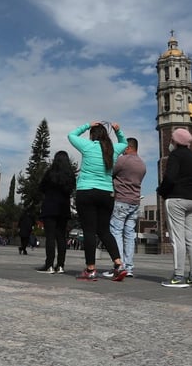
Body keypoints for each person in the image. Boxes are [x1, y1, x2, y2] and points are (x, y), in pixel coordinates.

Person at [68, 121, 129, 282]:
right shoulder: (113, 150)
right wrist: (118, 131)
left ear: (92, 135)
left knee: (89, 231)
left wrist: (87, 125)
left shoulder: (88, 146)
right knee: (104, 231)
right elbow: (124, 143)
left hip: (86, 192)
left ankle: (90, 269)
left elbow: (71, 135)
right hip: (106, 193)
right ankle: (118, 264)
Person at [157, 128, 192, 288]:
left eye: (171, 139)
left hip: (177, 198)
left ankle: (178, 276)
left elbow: (170, 177)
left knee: (177, 238)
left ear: (176, 141)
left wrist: (161, 191)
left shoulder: (175, 155)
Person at [106, 138, 146, 278]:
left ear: (128, 147)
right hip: (135, 202)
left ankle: (119, 265)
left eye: (124, 147)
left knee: (116, 231)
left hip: (122, 200)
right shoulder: (142, 164)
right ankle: (129, 268)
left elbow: (110, 172)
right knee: (129, 234)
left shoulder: (123, 160)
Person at [37, 151, 76, 274]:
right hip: (63, 208)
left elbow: (41, 187)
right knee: (61, 237)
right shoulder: (70, 175)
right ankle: (60, 265)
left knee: (50, 237)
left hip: (50, 206)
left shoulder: (50, 173)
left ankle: (49, 265)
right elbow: (72, 190)